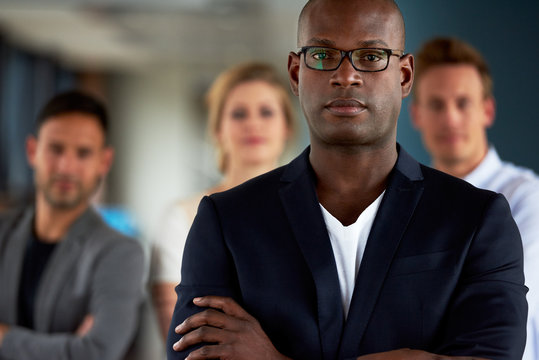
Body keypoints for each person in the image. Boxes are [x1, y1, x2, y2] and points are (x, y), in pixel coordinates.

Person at [167, 0, 527, 358]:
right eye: (323, 55)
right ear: (296, 74)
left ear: (404, 76)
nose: (346, 75)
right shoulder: (226, 220)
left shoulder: (478, 219)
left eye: (371, 57)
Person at [410, 37, 539, 360]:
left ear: (488, 110)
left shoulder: (527, 197)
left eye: (463, 102)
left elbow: (497, 309)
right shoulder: (404, 202)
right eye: (436, 105)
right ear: (417, 116)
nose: (450, 119)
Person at [150, 62, 295, 339]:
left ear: (287, 126)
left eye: (266, 112)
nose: (253, 123)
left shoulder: (317, 210)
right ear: (218, 129)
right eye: (239, 114)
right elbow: (182, 334)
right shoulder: (181, 217)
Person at [0, 90, 145, 360]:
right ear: (33, 151)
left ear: (104, 161)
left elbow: (96, 353)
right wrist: (67, 347)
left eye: (83, 153)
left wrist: (4, 337)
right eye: (56, 149)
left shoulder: (120, 253)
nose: (66, 166)